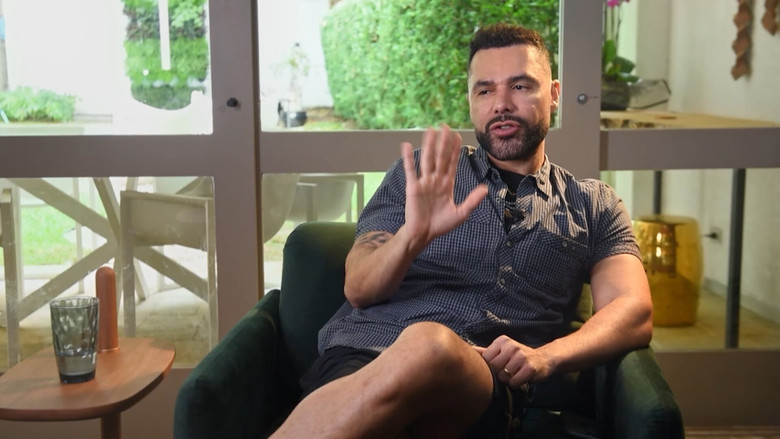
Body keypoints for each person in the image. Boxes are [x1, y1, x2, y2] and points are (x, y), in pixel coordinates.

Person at [270, 23, 652, 438]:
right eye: (484, 90)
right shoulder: (420, 175)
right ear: (471, 101)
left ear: (554, 94)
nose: (501, 104)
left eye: (520, 86)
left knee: (430, 345)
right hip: (364, 354)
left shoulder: (593, 204)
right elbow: (359, 288)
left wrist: (547, 356)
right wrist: (412, 236)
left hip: (481, 382)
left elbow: (633, 310)